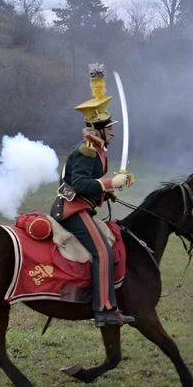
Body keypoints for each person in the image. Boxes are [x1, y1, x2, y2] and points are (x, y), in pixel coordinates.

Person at [50, 63, 135, 327]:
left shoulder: (95, 149)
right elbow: (80, 184)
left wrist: (110, 191)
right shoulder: (87, 151)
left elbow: (89, 185)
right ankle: (104, 308)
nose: (113, 132)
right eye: (110, 128)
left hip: (80, 207)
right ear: (98, 129)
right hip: (71, 209)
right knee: (103, 251)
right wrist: (111, 182)